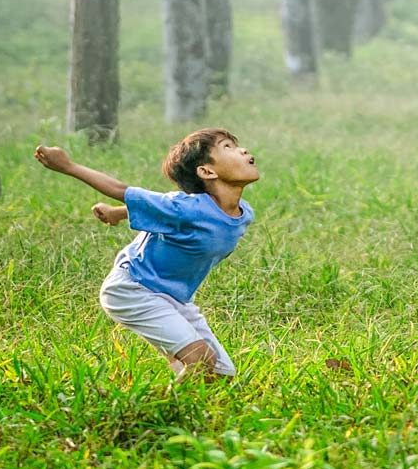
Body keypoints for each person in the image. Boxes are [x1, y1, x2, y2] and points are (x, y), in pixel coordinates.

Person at [34, 129, 260, 378]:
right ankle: (157, 410)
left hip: (174, 298)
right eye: (228, 147)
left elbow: (161, 214)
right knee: (200, 361)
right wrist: (67, 166)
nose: (243, 150)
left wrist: (116, 213)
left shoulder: (243, 213)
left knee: (220, 374)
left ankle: (180, 370)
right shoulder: (184, 208)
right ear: (207, 171)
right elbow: (121, 189)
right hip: (133, 289)